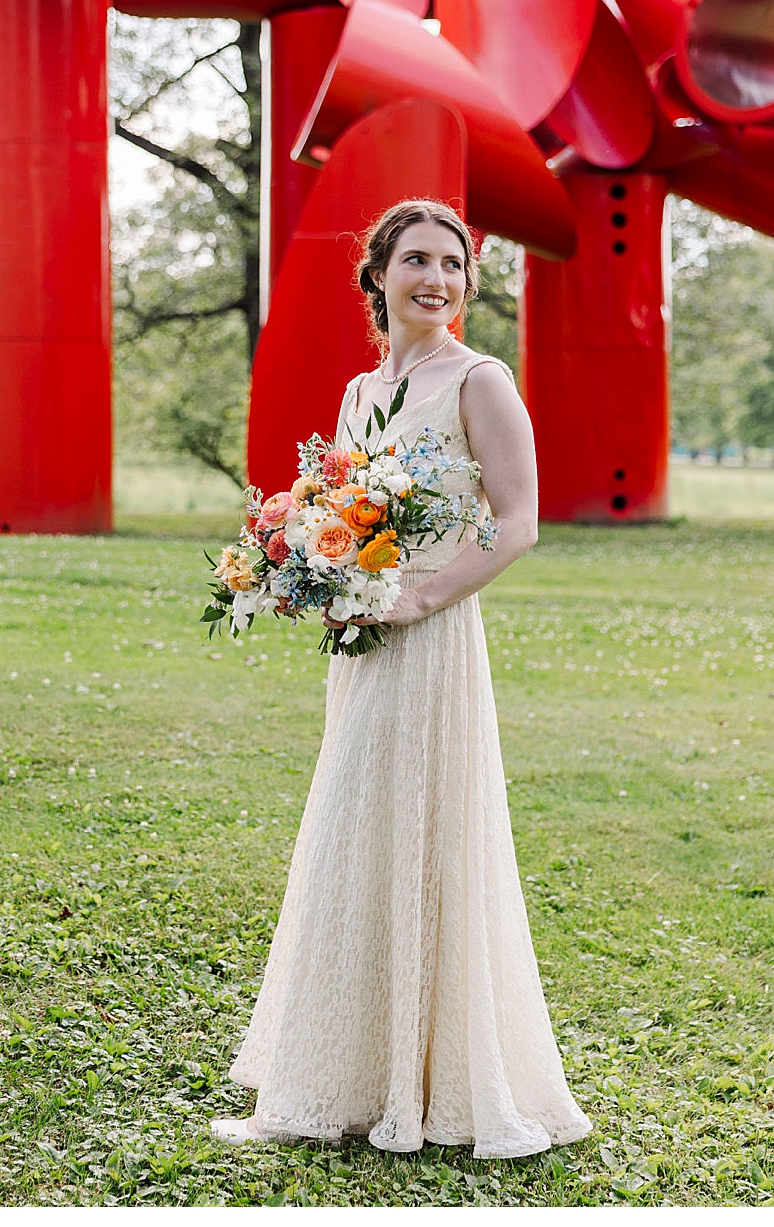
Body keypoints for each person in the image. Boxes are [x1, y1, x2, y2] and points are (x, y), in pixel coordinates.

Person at [211, 198, 591, 1159]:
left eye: (453, 265)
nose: (437, 279)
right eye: (416, 260)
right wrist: (314, 572)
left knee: (426, 829)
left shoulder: (481, 380)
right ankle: (347, 1073)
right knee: (356, 828)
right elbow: (347, 508)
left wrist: (422, 601)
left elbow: (518, 522)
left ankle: (436, 1083)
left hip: (432, 640)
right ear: (377, 275)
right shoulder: (357, 391)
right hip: (364, 648)